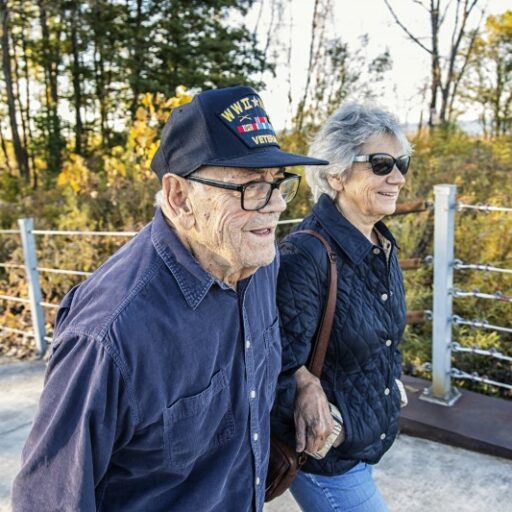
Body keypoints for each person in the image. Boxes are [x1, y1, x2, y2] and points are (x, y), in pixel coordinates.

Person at [12, 86, 327, 512]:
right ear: (180, 197)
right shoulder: (110, 334)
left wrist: (303, 383)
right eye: (251, 187)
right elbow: (49, 501)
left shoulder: (258, 262)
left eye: (277, 184)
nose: (273, 206)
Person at [271, 103, 411, 511]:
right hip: (328, 462)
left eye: (401, 163)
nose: (398, 177)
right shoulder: (306, 254)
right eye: (381, 164)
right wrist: (303, 384)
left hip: (363, 444)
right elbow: (270, 355)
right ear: (336, 173)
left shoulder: (380, 244)